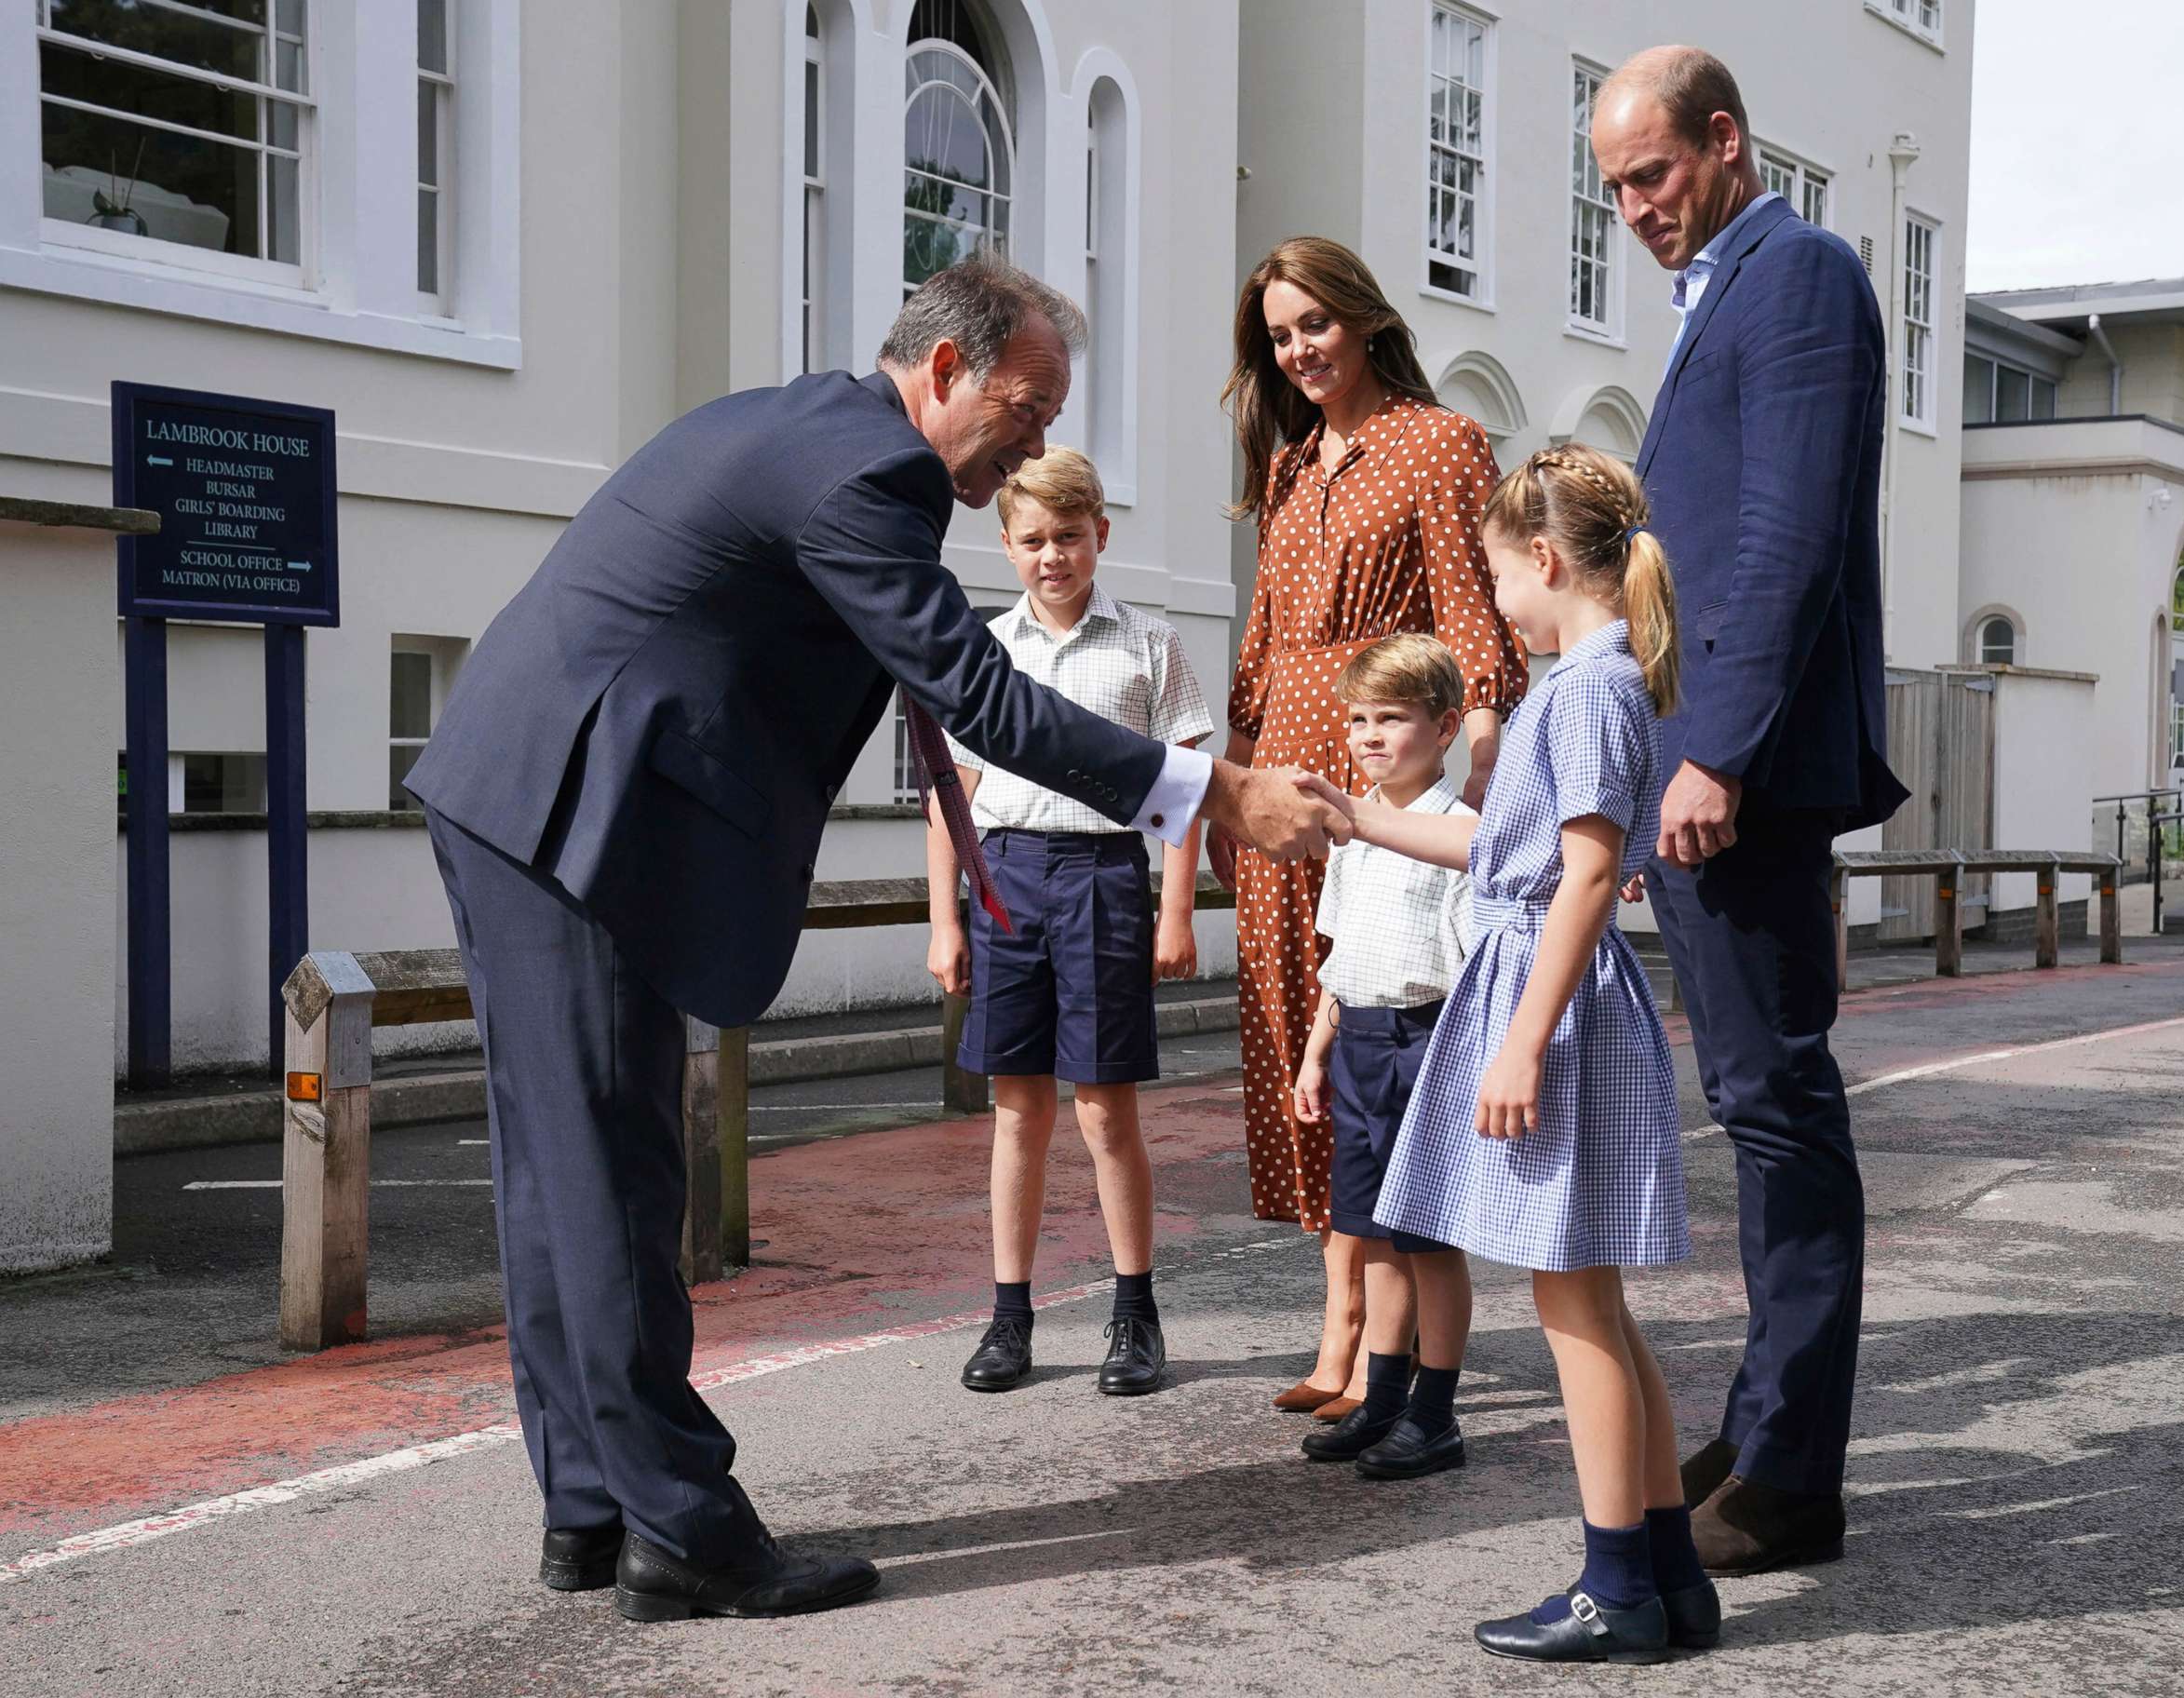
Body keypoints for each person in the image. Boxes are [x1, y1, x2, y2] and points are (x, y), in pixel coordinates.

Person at [402, 255, 1344, 1624]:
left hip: (518, 791)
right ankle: (683, 1535)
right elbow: (980, 695)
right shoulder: (869, 475)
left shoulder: (807, 424)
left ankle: (595, 1510)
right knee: (608, 1180)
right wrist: (1218, 790)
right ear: (948, 371)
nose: (1039, 439)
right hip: (575, 815)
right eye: (1027, 407)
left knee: (560, 1181)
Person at [1300, 446, 1716, 1664]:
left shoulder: (1582, 688)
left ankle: (1615, 1586)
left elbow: (1585, 874)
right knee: (1594, 1302)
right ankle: (1665, 1573)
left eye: (1497, 579)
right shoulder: (1594, 677)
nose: (1497, 606)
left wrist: (1522, 1039)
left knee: (1569, 1302)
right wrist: (1359, 815)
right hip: (1552, 982)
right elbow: (1510, 854)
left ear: (1542, 560)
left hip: (1552, 998)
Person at [1592, 48, 1908, 1574]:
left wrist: (1708, 751)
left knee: (1780, 1111)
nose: (1633, 208)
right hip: (1720, 770)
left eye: (1650, 174)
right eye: (1613, 189)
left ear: (1724, 143)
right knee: (1757, 1103)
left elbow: (1785, 536)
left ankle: (1790, 1468)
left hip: (1741, 773)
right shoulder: (1730, 287)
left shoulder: (1799, 274)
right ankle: (1762, 1418)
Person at [1214, 236, 1527, 1422]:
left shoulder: (1439, 443)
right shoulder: (1293, 467)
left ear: (1362, 317)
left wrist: (1483, 782)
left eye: (1314, 326)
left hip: (1378, 783)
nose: (1298, 351)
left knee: (1374, 1041)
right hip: (1279, 790)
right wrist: (1229, 788)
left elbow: (1474, 621)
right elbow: (1256, 647)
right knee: (1302, 1046)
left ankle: (1371, 1331)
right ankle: (1338, 1311)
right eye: (1279, 336)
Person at [923, 446, 1213, 1399]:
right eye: (1034, 540)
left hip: (1102, 878)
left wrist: (1176, 910)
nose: (1054, 556)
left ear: (1102, 536)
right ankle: (1010, 1317)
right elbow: (950, 801)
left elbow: (1184, 789)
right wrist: (947, 921)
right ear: (1005, 544)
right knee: (1019, 1110)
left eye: (1071, 537)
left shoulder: (1148, 645)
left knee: (1104, 1109)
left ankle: (1135, 1313)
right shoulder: (986, 650)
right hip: (1005, 878)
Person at [1289, 635, 1478, 1479]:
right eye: (1359, 717)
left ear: (1443, 729)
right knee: (1370, 1235)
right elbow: (1343, 959)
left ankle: (1435, 1415)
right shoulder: (1352, 830)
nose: (1369, 735)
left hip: (1427, 1042)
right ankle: (1384, 1398)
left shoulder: (1460, 833)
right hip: (1361, 1042)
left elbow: (1476, 965)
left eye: (1391, 719)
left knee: (1428, 1241)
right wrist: (1315, 1053)